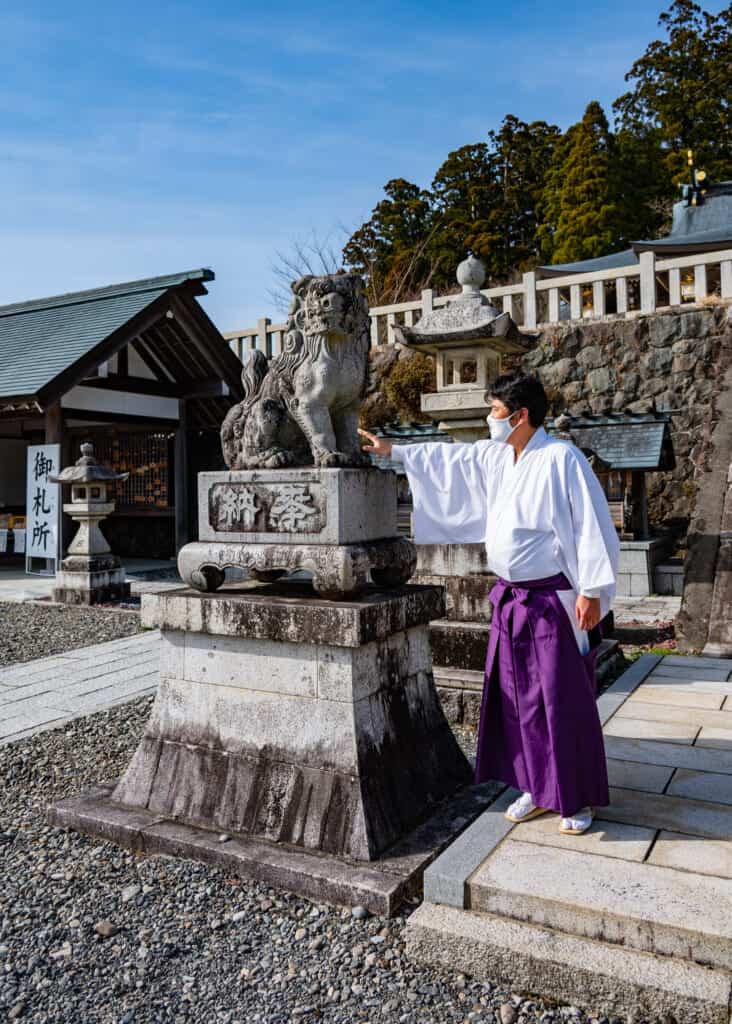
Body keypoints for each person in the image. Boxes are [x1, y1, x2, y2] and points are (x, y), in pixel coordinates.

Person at [358, 371, 619, 836]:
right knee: (517, 701)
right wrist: (393, 452)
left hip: (552, 600)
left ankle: (574, 796)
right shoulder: (501, 457)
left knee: (561, 701)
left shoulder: (560, 458)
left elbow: (591, 524)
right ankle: (535, 787)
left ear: (520, 416)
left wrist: (593, 591)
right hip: (511, 600)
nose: (489, 418)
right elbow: (451, 460)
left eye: (495, 410)